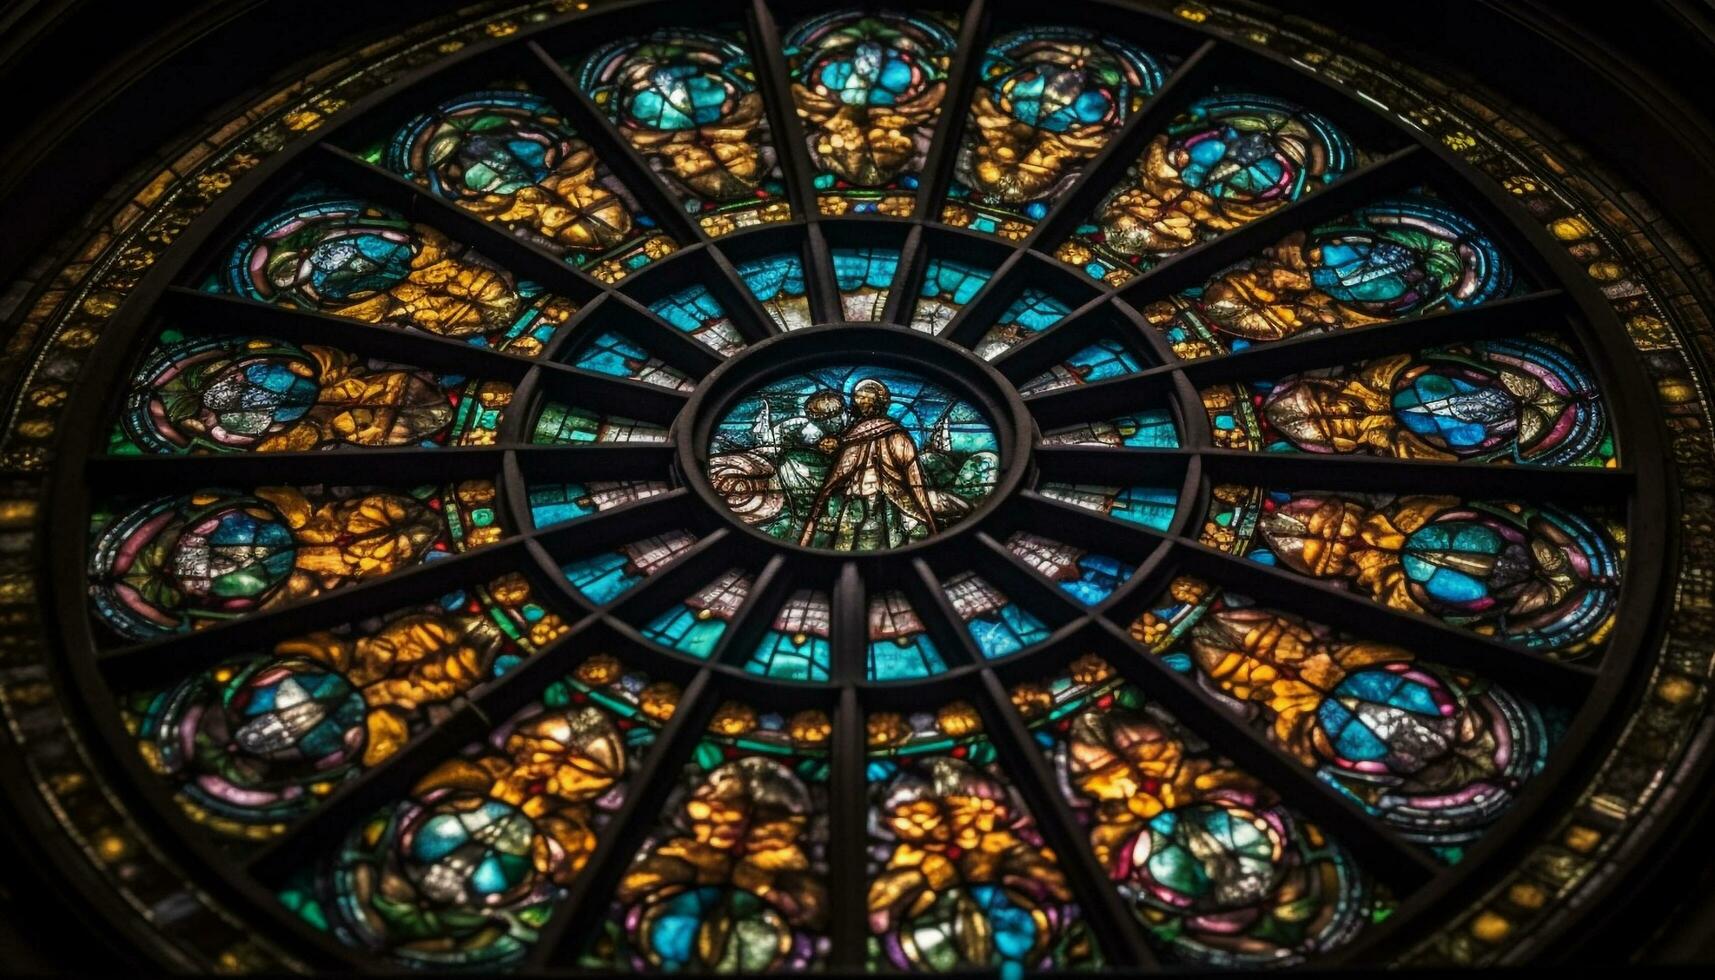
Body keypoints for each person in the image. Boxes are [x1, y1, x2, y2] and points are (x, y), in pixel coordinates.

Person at [799, 379, 937, 550]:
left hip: (875, 503)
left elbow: (839, 474)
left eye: (866, 401)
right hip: (872, 502)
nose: (863, 405)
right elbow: (913, 477)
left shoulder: (854, 438)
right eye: (860, 400)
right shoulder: (890, 436)